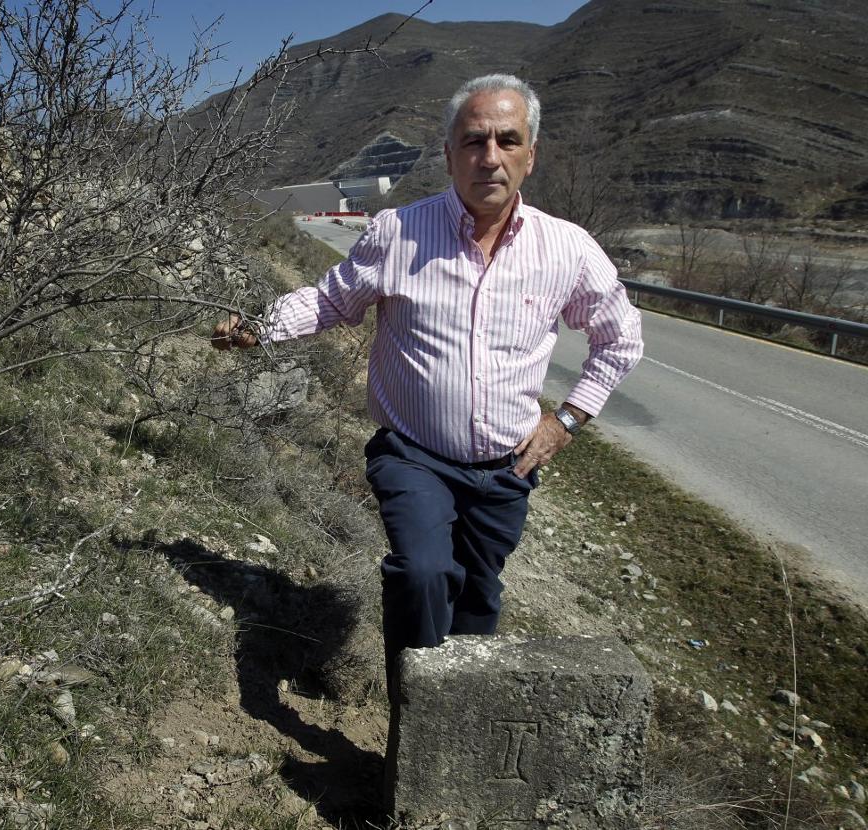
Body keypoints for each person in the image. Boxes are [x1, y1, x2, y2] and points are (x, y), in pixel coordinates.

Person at [210, 73, 643, 699]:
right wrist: (260, 326)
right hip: (413, 453)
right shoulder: (397, 232)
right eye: (473, 141)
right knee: (422, 572)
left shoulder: (567, 249)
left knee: (476, 598)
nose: (488, 156)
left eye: (506, 140)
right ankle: (410, 712)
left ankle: (453, 722)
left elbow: (621, 338)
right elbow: (333, 301)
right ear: (449, 154)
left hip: (505, 471)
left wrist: (566, 420)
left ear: (530, 155)